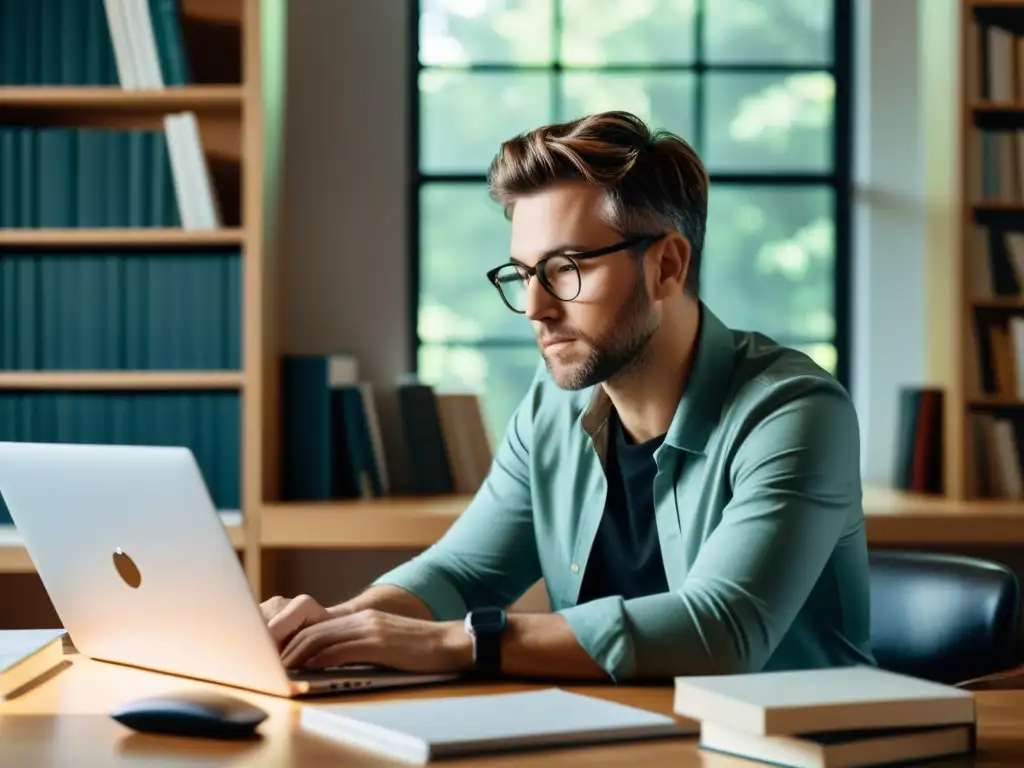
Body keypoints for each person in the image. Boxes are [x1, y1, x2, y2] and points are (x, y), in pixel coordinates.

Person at [261, 110, 875, 683]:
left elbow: (722, 629)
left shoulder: (794, 411)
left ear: (667, 266)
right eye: (525, 274)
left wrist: (455, 643)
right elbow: (463, 573)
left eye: (566, 268)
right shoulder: (552, 407)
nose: (535, 308)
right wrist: (341, 626)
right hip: (604, 740)